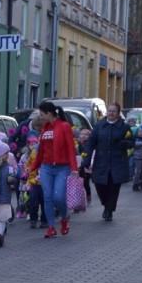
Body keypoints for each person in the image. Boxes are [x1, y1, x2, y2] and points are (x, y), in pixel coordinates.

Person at [30, 101, 78, 238]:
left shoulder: (64, 126)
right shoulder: (44, 128)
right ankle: (51, 227)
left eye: (41, 114)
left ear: (49, 113)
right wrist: (33, 167)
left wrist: (74, 168)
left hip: (62, 167)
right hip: (46, 167)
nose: (40, 117)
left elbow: (70, 147)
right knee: (48, 197)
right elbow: (41, 151)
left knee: (59, 197)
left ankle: (64, 218)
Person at [81, 103, 134, 222]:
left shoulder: (124, 127)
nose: (111, 113)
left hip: (117, 162)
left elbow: (131, 141)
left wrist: (126, 144)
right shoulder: (99, 126)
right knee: (99, 185)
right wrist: (87, 159)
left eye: (114, 111)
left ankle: (109, 210)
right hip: (101, 162)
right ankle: (106, 204)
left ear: (118, 113)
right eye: (109, 111)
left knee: (114, 187)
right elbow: (91, 143)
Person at [77, 128, 93, 203]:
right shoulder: (77, 144)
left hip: (87, 166)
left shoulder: (90, 144)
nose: (84, 136)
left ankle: (88, 196)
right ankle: (79, 199)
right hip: (79, 166)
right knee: (79, 183)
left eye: (86, 135)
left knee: (86, 183)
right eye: (82, 134)